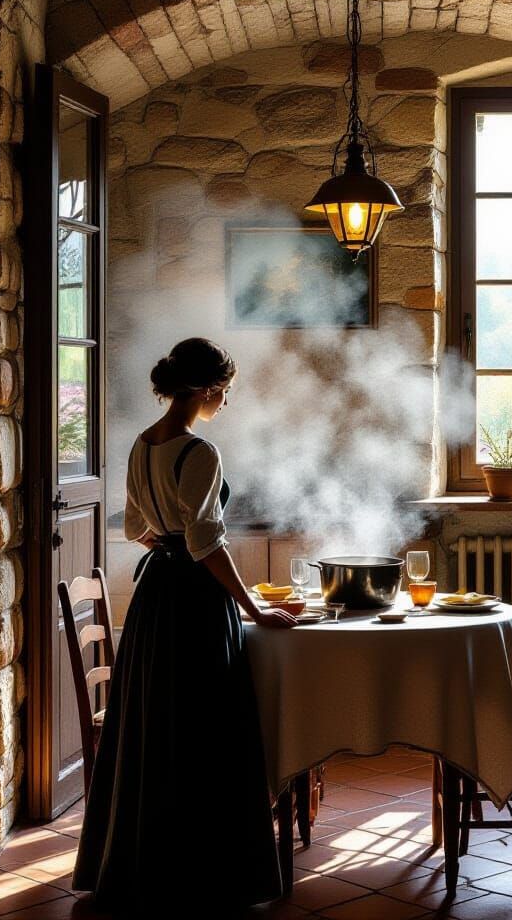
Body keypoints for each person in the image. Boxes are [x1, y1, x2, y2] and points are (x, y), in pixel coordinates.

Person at [73, 337, 296, 914]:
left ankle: (143, 866)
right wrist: (253, 608)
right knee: (207, 726)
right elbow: (206, 544)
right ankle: (206, 874)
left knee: (157, 725)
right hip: (196, 605)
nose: (225, 402)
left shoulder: (143, 444)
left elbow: (133, 529)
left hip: (155, 600)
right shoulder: (199, 452)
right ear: (205, 390)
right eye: (224, 392)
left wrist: (166, 547)